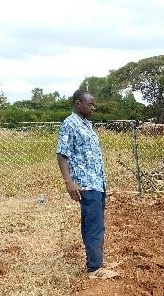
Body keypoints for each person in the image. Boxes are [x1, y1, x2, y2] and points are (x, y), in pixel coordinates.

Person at [56, 89, 118, 279]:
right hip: (85, 183)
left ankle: (96, 259)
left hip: (97, 182)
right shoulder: (70, 124)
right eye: (89, 104)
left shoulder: (87, 124)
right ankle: (95, 269)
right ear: (78, 104)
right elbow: (61, 154)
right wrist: (69, 182)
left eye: (94, 104)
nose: (93, 107)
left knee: (93, 224)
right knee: (94, 226)